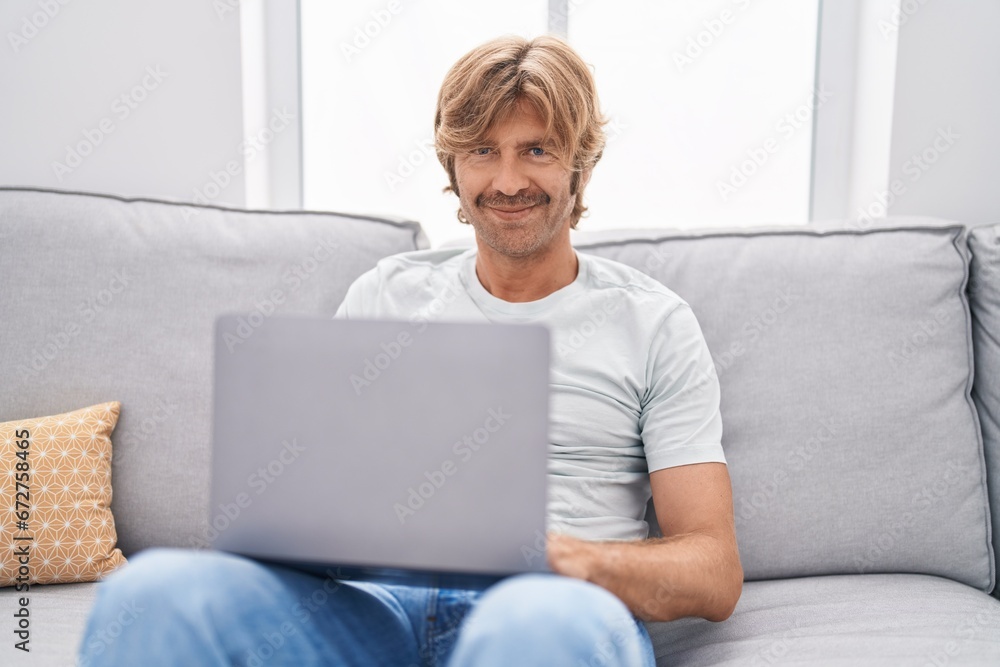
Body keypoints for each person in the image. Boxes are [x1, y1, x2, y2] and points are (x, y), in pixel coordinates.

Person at [79, 35, 742, 667]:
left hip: (557, 609)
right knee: (150, 594)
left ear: (581, 164)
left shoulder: (654, 323)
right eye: (482, 151)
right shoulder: (387, 294)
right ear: (453, 167)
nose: (508, 181)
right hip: (379, 613)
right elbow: (315, 492)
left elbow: (713, 571)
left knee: (529, 625)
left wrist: (568, 558)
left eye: (536, 150)